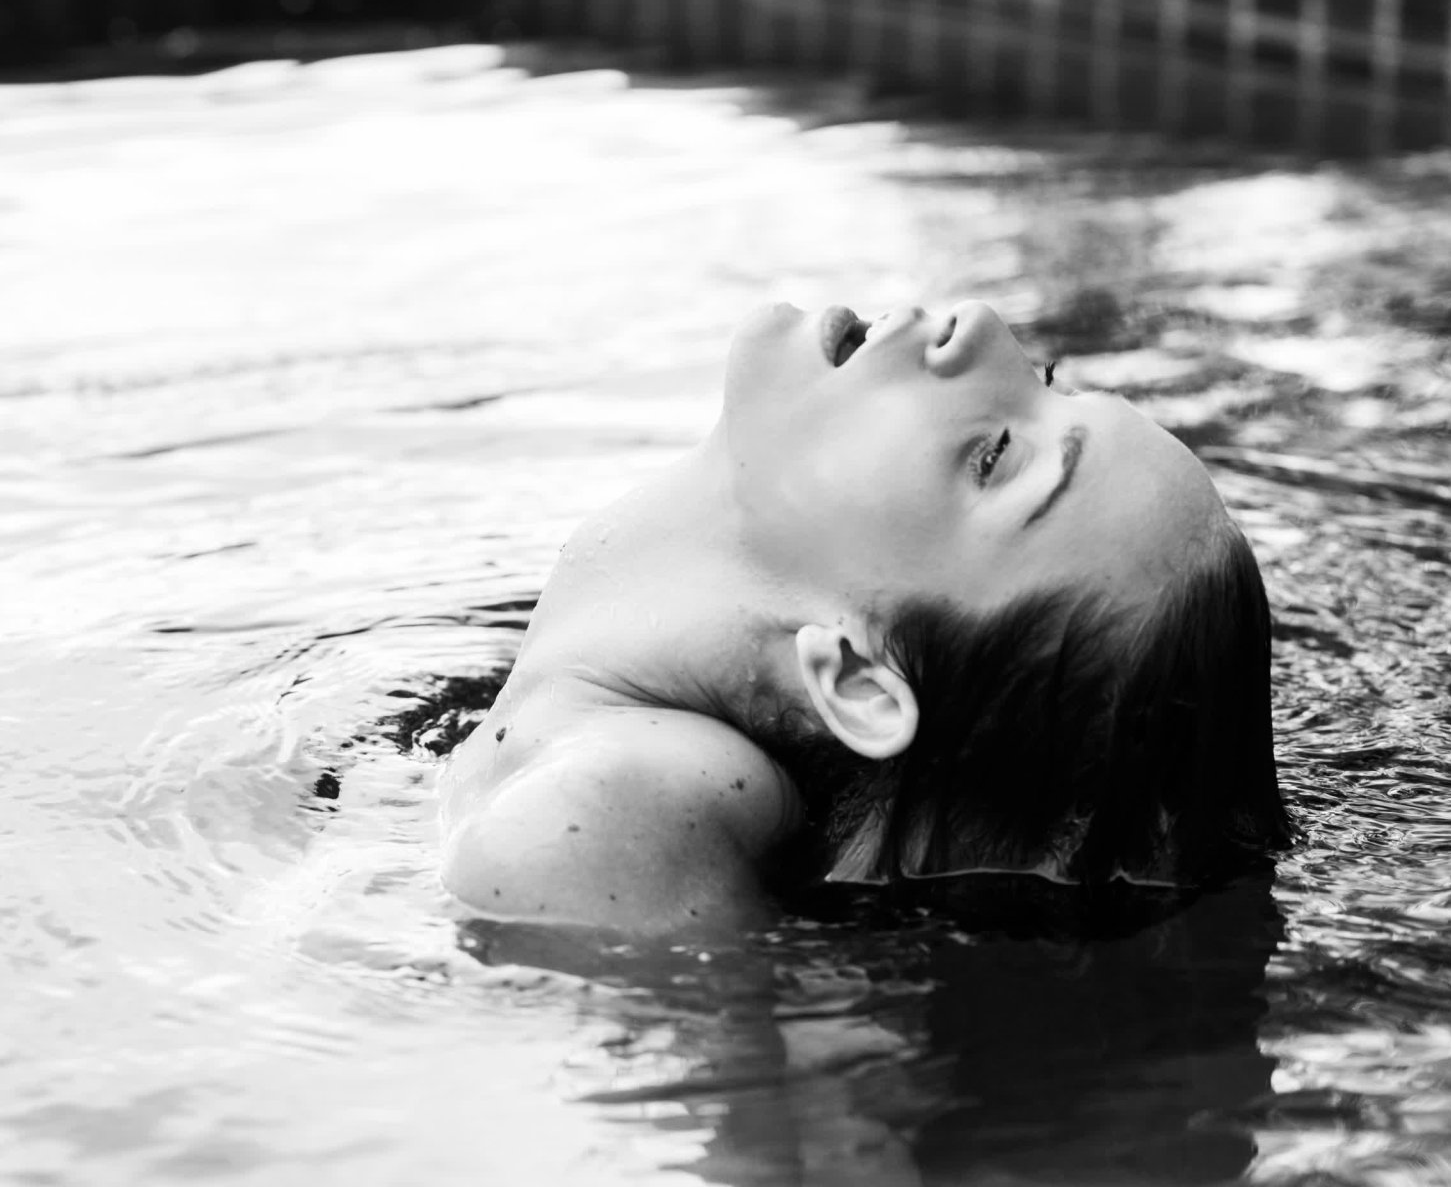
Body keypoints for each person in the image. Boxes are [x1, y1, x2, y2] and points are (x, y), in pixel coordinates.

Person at [438, 301, 1293, 934]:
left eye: (995, 456)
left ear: (857, 681)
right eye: (1046, 383)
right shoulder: (614, 767)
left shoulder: (607, 811)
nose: (981, 326)